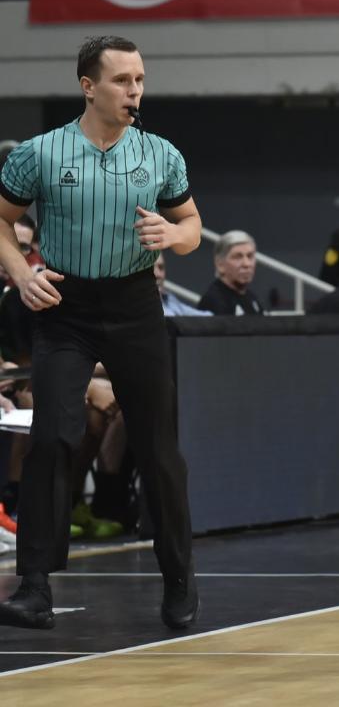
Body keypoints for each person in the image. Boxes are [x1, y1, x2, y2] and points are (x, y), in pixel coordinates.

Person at [0, 36, 200, 630]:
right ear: (89, 86)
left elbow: (191, 224)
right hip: (66, 305)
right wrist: (20, 271)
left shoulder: (161, 154)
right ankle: (34, 584)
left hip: (136, 306)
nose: (134, 90)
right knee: (53, 436)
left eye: (139, 79)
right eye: (122, 80)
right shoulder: (39, 153)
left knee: (158, 446)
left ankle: (179, 579)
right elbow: (3, 219)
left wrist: (174, 235)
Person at [198, 230, 263, 316]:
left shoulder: (252, 299)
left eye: (250, 256)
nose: (246, 264)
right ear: (220, 264)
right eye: (237, 257)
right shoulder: (213, 301)